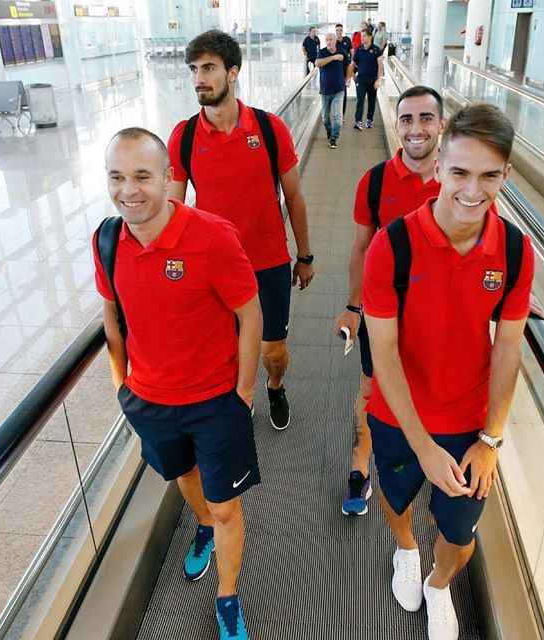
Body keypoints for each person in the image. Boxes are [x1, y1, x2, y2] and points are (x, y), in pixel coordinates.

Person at [362, 104, 535, 639]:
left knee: (460, 536)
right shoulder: (392, 245)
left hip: (468, 420)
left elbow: (508, 348)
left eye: (489, 176)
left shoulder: (514, 250)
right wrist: (422, 445)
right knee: (396, 500)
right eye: (460, 172)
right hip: (398, 414)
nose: (472, 190)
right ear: (439, 167)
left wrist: (491, 439)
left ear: (506, 175)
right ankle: (406, 551)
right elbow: (384, 352)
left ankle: (439, 585)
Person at [94, 127, 262, 640]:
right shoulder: (107, 240)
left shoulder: (212, 237)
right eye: (117, 177)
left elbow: (250, 313)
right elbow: (111, 315)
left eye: (142, 176)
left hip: (215, 402)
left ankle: (227, 595)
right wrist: (122, 385)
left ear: (168, 178)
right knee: (184, 475)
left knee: (226, 505)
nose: (129, 191)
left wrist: (244, 393)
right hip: (149, 402)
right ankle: (203, 526)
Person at [167, 30, 315, 431]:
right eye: (194, 69)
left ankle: (275, 385)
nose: (199, 78)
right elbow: (174, 211)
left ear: (233, 72)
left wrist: (304, 255)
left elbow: (294, 196)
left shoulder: (268, 128)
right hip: (215, 269)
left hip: (267, 262)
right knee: (226, 350)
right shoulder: (184, 137)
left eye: (208, 68)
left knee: (273, 351)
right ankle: (238, 401)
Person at [335, 85, 449, 516]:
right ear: (397, 125)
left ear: (442, 125)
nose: (416, 128)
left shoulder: (458, 181)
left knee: (433, 389)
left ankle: (430, 461)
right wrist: (353, 306)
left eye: (426, 118)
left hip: (439, 316)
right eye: (406, 119)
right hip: (383, 313)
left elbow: (485, 241)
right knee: (370, 389)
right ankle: (359, 469)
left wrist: (516, 288)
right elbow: (362, 247)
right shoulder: (376, 180)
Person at [316, 32, 351, 149]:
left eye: (331, 39)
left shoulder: (342, 52)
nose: (329, 42)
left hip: (339, 89)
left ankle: (333, 138)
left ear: (335, 40)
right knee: (325, 117)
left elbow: (348, 66)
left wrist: (347, 79)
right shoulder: (322, 52)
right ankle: (329, 131)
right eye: (327, 40)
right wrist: (333, 58)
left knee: (338, 117)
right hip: (325, 90)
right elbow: (317, 63)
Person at [352, 27, 383, 130]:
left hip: (373, 79)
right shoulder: (358, 49)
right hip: (361, 79)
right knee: (360, 99)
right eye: (361, 36)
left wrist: (378, 79)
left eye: (364, 36)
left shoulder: (376, 50)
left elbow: (380, 65)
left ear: (370, 37)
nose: (362, 38)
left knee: (371, 100)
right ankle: (358, 121)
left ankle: (369, 119)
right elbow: (353, 63)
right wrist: (353, 76)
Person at [335, 24, 353, 119]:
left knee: (344, 92)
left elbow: (352, 51)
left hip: (345, 69)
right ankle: (336, 113)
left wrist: (352, 62)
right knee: (336, 92)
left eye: (340, 30)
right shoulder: (333, 41)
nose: (339, 32)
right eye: (337, 30)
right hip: (336, 70)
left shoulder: (347, 40)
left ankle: (342, 114)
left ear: (342, 31)